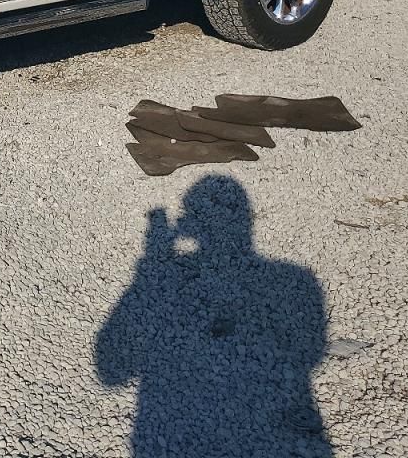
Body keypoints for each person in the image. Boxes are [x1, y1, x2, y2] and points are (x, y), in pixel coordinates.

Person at [94, 176, 332, 457]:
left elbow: (110, 371)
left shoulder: (294, 279)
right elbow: (312, 351)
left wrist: (149, 269)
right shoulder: (296, 279)